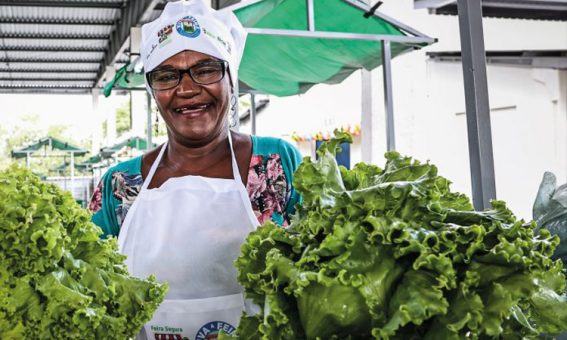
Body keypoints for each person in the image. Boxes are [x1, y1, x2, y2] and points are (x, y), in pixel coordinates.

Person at [87, 0, 302, 338]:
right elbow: (89, 289)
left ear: (231, 78)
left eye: (205, 70)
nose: (186, 89)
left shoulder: (278, 164)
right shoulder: (118, 185)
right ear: (153, 92)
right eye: (167, 75)